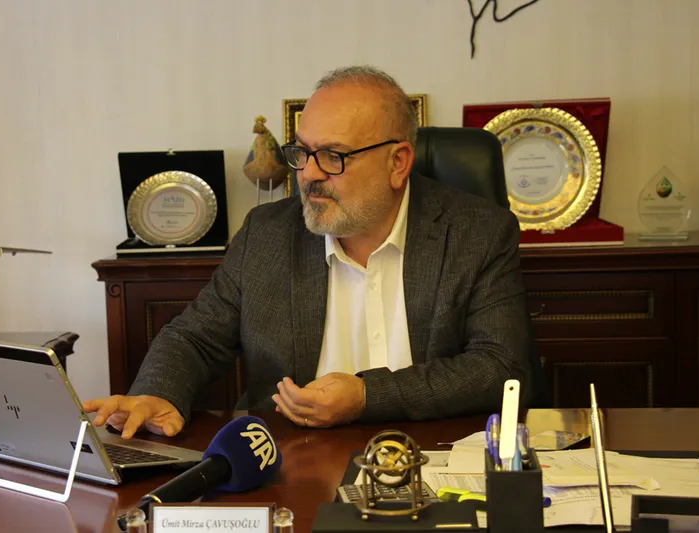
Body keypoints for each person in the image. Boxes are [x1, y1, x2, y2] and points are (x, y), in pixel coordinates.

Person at [84, 65, 533, 439]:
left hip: (434, 456)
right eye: (302, 152)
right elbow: (195, 338)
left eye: (334, 156)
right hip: (292, 458)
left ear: (397, 163)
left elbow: (499, 367)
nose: (309, 174)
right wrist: (157, 392)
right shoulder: (267, 235)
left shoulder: (477, 232)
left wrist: (368, 397)